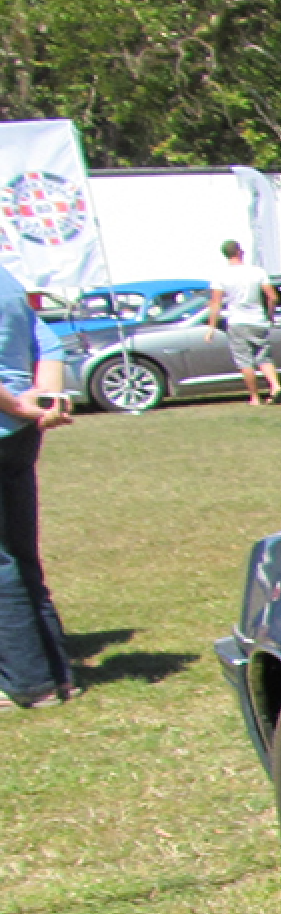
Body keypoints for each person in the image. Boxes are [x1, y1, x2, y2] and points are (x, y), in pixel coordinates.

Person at [0, 257, 78, 708]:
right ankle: (57, 673)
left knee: (4, 562)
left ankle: (29, 682)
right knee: (21, 555)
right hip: (20, 433)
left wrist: (15, 407)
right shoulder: (8, 281)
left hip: (9, 418)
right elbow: (49, 345)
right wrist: (44, 402)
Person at [208, 238, 280, 406]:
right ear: (240, 251)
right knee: (263, 356)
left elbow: (216, 303)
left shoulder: (221, 275)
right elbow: (273, 297)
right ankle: (275, 385)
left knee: (244, 360)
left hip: (237, 320)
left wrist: (211, 327)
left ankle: (255, 397)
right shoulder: (257, 271)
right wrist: (270, 315)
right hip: (258, 319)